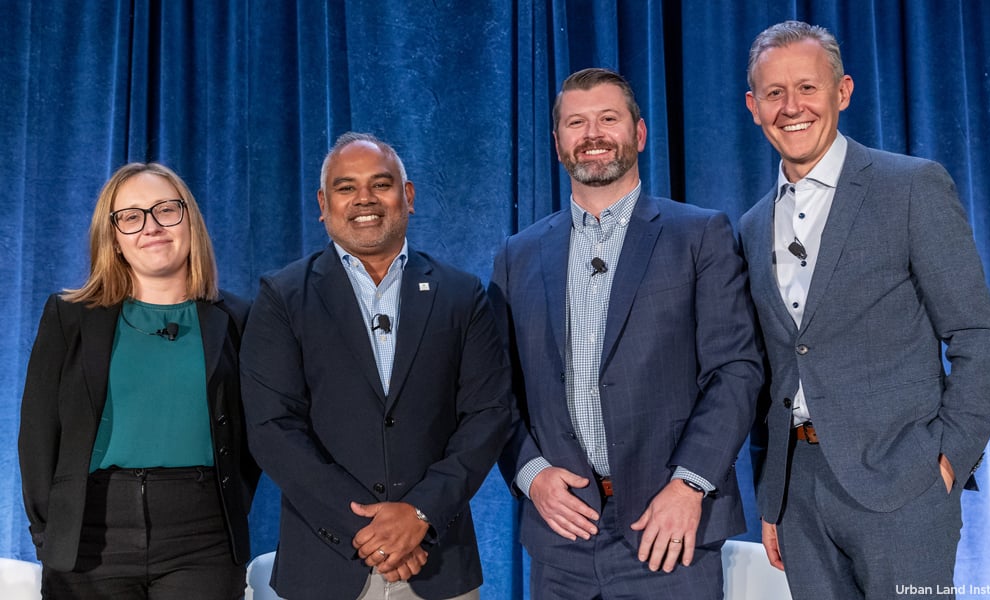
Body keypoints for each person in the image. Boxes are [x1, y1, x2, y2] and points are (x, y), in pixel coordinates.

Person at [739, 21, 990, 599]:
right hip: (799, 493)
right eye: (774, 93)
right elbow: (770, 371)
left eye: (807, 88)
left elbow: (977, 336)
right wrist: (773, 494)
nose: (792, 108)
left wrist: (946, 460)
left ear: (843, 92)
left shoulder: (909, 187)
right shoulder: (752, 225)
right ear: (753, 107)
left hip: (903, 485)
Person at [489, 68, 763, 598]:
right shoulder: (516, 256)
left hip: (669, 528)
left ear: (638, 133)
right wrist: (531, 474)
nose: (592, 135)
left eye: (608, 119)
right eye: (577, 123)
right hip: (562, 537)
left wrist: (690, 484)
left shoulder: (698, 235)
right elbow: (493, 391)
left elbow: (735, 371)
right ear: (558, 142)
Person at [239, 132, 511, 600]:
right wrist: (374, 535)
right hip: (325, 568)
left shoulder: (461, 294)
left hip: (437, 564)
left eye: (380, 184)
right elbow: (272, 429)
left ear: (408, 197)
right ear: (323, 204)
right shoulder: (283, 297)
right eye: (346, 188)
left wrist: (419, 515)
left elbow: (488, 414)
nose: (364, 199)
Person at [19, 162, 259, 599]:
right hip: (89, 539)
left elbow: (255, 437)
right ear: (113, 237)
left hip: (202, 538)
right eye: (130, 217)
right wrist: (48, 536)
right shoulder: (68, 317)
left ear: (190, 221)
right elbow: (37, 435)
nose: (151, 226)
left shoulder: (240, 320)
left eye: (166, 209)